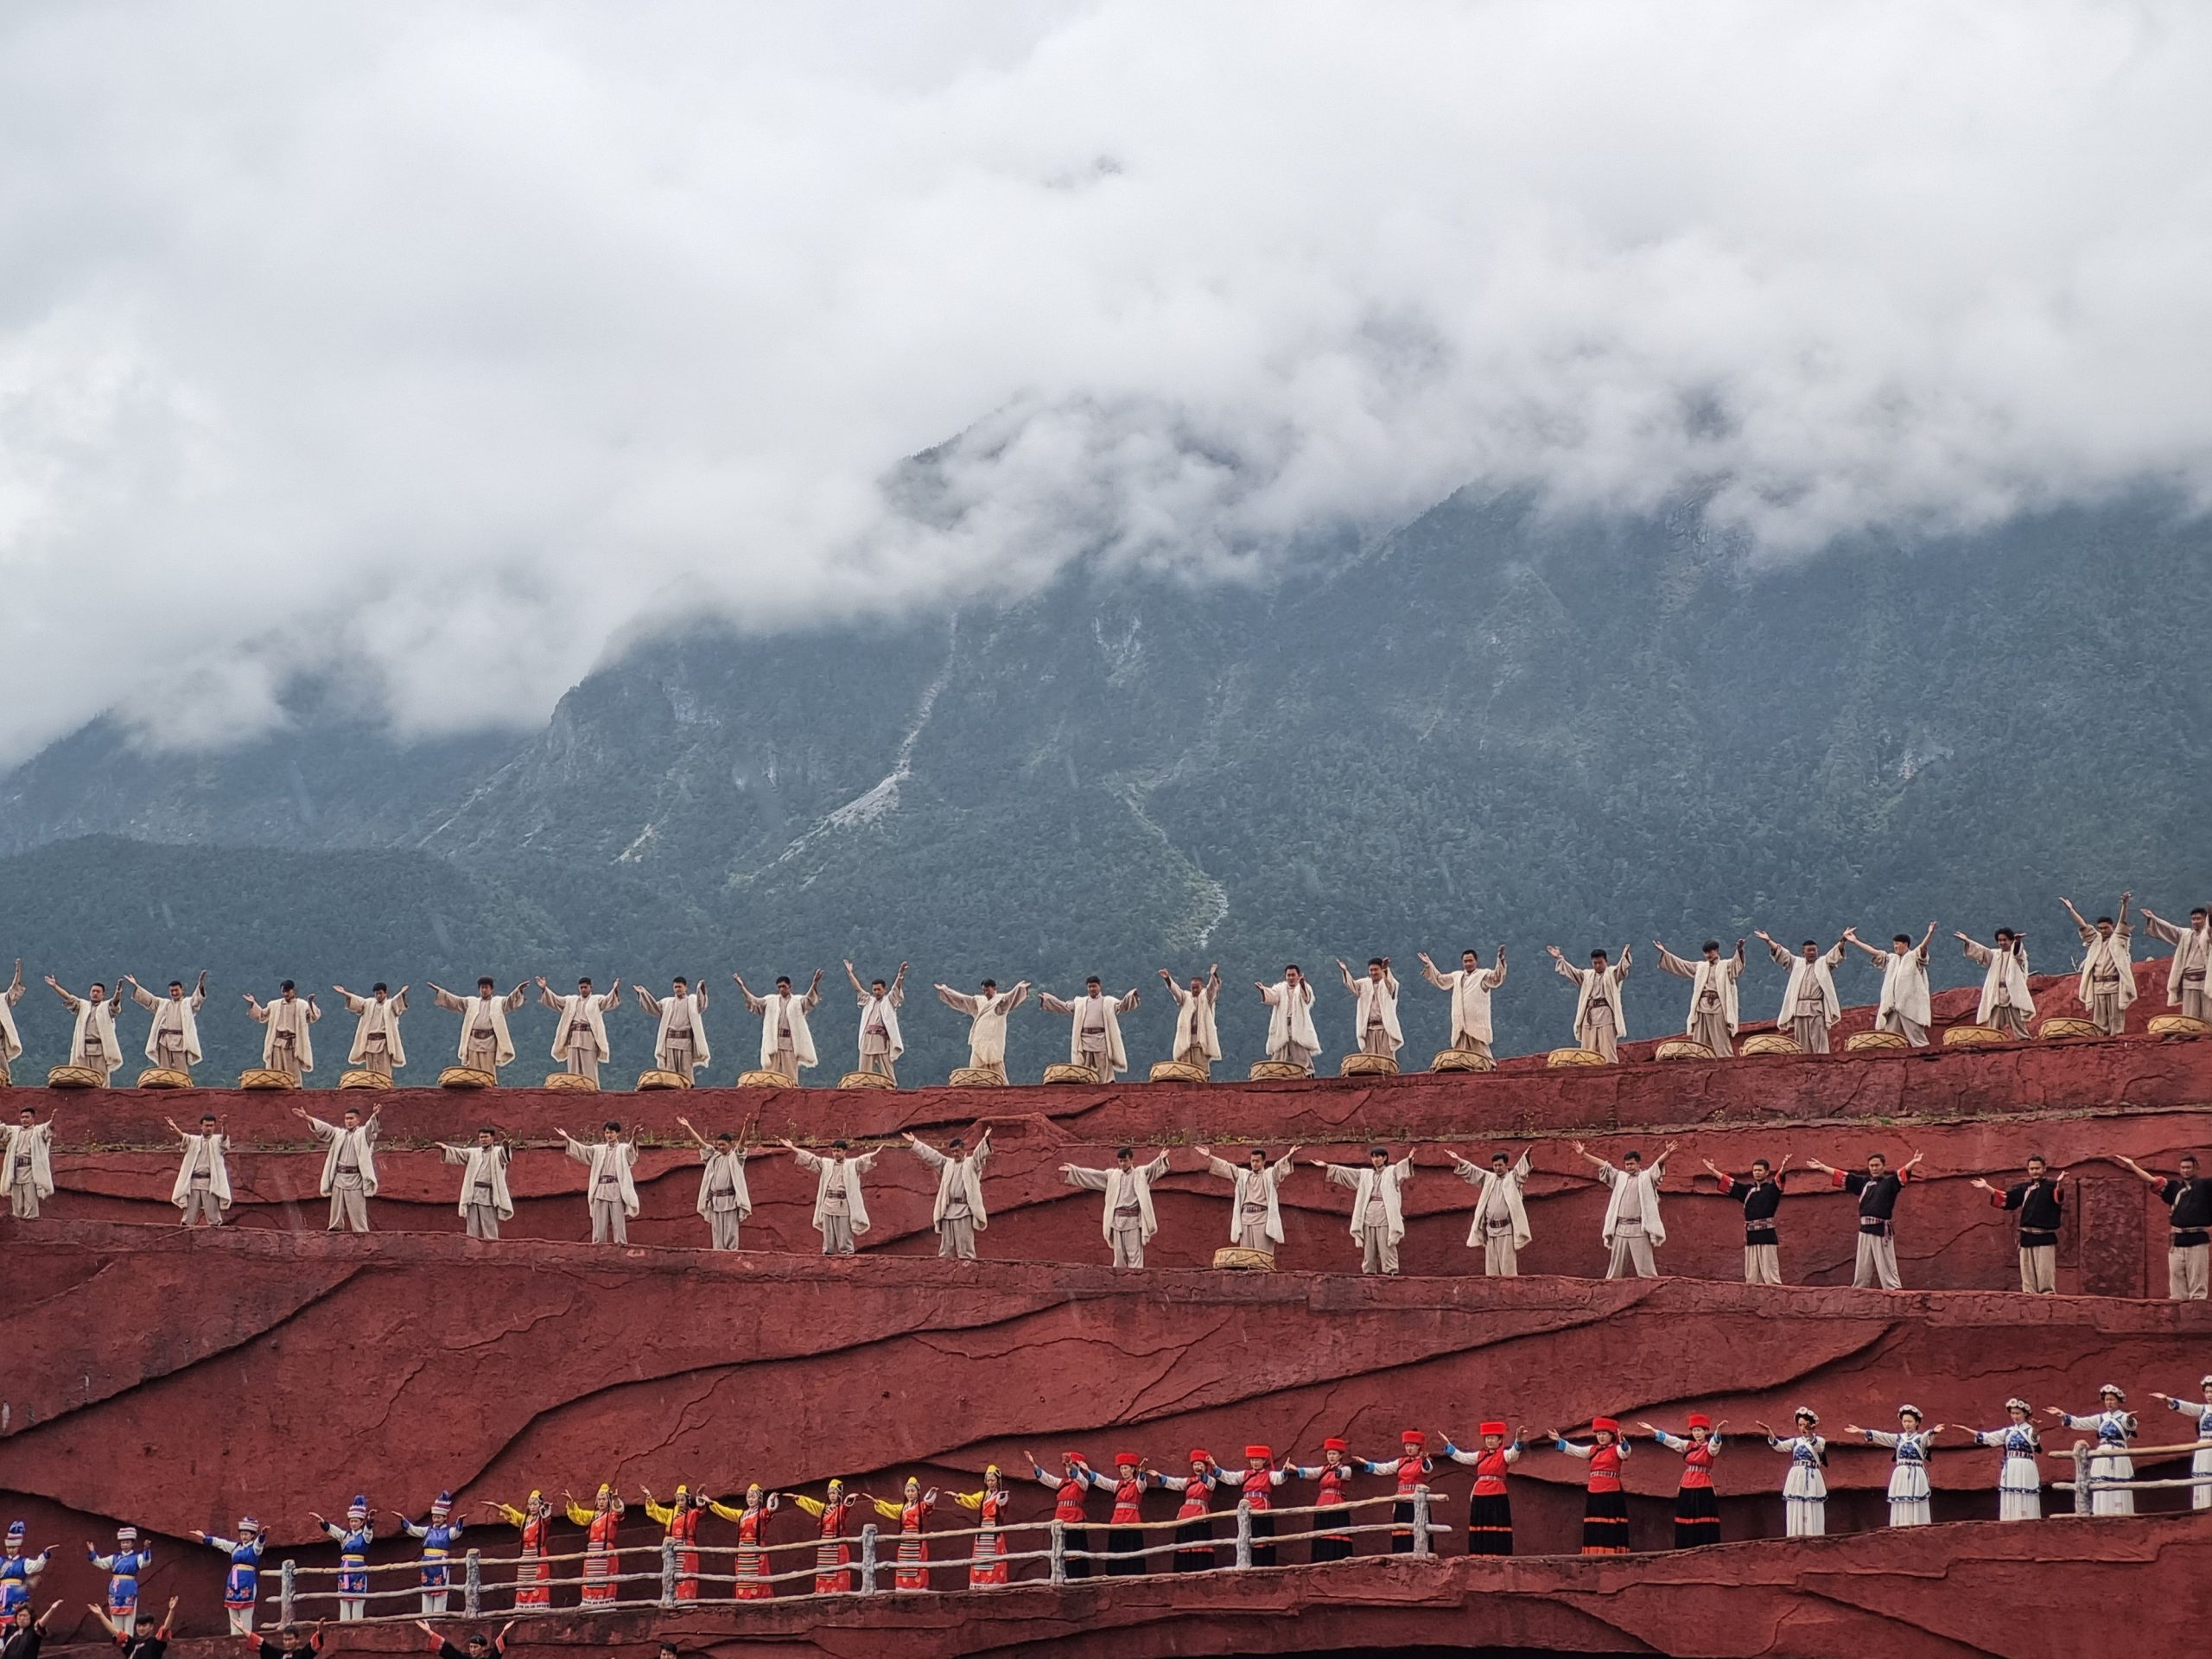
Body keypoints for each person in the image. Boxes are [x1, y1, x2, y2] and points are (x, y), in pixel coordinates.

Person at [1808, 1149, 1925, 1289]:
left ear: (1884, 1166)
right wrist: (1822, 1167)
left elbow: (1902, 1173)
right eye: (1871, 1166)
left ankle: (1893, 1290)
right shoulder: (1864, 1183)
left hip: (1881, 1230)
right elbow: (1845, 1176)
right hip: (1864, 1229)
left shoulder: (1890, 1183)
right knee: (1862, 1264)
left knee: (1886, 1263)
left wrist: (1913, 1162)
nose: (1874, 1168)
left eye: (1877, 1165)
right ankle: (1859, 1289)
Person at [2115, 1152, 2212, 1300]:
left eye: (2188, 1168)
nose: (2186, 1170)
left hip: (2198, 1240)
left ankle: (2197, 1318)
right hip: (2177, 1241)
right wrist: (2132, 1165)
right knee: (2177, 1286)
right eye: (2183, 1167)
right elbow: (2152, 1180)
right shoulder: (2174, 1187)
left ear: (2195, 1168)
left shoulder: (2205, 1185)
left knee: (2197, 1287)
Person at [1573, 1141, 1674, 1279]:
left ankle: (1653, 1296)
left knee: (1647, 1272)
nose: (1629, 1167)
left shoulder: (1646, 1178)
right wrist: (1584, 1154)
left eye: (1632, 1164)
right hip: (1621, 1229)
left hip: (1639, 1230)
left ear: (1639, 1164)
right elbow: (1604, 1165)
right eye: (1627, 1164)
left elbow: (1658, 1164)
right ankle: (1609, 1296)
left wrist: (1667, 1153)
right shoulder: (1620, 1177)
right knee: (1614, 1273)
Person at [1062, 1147, 1170, 1268]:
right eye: (1120, 1161)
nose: (1123, 1164)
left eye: (1125, 1160)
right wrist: (1073, 1170)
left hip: (1133, 1222)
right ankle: (1119, 1284)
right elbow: (1093, 1175)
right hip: (1117, 1222)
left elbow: (1152, 1168)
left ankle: (1135, 1284)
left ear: (1131, 1160)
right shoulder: (1113, 1176)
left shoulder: (1140, 1174)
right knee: (1119, 1259)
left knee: (1135, 1257)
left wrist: (1161, 1159)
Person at [1314, 1146, 1414, 1275]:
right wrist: (1327, 1166)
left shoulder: (1392, 1171)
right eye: (1373, 1157)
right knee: (1369, 1247)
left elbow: (1402, 1169)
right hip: (1368, 1212)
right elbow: (1348, 1173)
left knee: (1387, 1244)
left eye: (1378, 1156)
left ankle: (1391, 1272)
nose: (1375, 1159)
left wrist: (1409, 1159)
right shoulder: (1366, 1174)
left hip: (1385, 1212)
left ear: (1384, 1158)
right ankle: (1369, 1272)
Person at [1972, 1157, 2066, 1294]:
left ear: (2044, 1168)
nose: (2035, 1171)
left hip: (2045, 1237)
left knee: (2045, 1274)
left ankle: (2048, 1300)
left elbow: (2059, 1196)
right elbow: (2006, 1198)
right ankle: (2029, 1300)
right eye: (2032, 1169)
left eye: (2037, 1168)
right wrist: (1986, 1187)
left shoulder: (2051, 1186)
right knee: (2028, 1279)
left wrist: (2060, 1183)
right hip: (2026, 1236)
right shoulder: (2024, 1188)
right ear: (2028, 1170)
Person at [2045, 1386, 2138, 1516]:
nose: (2109, 1403)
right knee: (2102, 1482)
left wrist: (2129, 1420)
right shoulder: (2101, 1418)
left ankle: (2121, 1511)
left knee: (2119, 1481)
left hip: (2118, 1453)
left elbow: (2131, 1425)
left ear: (2118, 1401)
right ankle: (2102, 1511)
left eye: (2112, 1399)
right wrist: (2064, 1415)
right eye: (2106, 1400)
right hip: (2103, 1455)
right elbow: (2080, 1422)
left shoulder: (2124, 1417)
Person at [905, 1129, 994, 1260]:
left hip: (964, 1210)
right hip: (947, 1210)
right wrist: (915, 1143)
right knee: (946, 1250)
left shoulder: (971, 1164)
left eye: (957, 1151)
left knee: (965, 1250)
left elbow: (979, 1155)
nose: (955, 1154)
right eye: (952, 1152)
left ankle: (967, 1273)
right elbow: (932, 1156)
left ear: (963, 1150)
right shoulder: (947, 1164)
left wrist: (985, 1139)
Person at [1848, 1406, 1943, 1527]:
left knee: (1915, 1498)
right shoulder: (1898, 1439)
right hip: (1901, 1473)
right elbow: (1882, 1436)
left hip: (1916, 1473)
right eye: (1904, 1421)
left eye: (1910, 1421)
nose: (1907, 1424)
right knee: (1902, 1498)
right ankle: (1901, 1524)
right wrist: (1861, 1431)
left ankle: (1917, 1524)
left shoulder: (1920, 1439)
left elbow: (1927, 1437)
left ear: (1917, 1422)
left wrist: (1934, 1432)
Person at [1701, 1155, 1789, 1285]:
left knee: (1771, 1274)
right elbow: (1731, 1184)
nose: (1757, 1173)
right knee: (1752, 1275)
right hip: (1751, 1237)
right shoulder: (1748, 1191)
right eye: (1755, 1170)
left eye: (1760, 1170)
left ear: (1767, 1172)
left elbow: (1779, 1179)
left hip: (1767, 1236)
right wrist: (1713, 1171)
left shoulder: (1772, 1189)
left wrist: (1783, 1168)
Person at [1842, 925, 1937, 1045]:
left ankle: (1925, 1060)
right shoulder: (1891, 959)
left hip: (1909, 1005)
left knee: (1917, 1039)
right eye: (1894, 944)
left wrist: (1929, 934)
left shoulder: (1913, 957)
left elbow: (1922, 948)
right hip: (1891, 1007)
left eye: (1898, 944)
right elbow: (1874, 952)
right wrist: (1855, 941)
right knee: (1890, 1041)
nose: (1895, 946)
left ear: (1906, 944)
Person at [1197, 1143, 1300, 1254]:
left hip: (1262, 1220)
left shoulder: (1269, 1175)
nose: (1254, 1164)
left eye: (1257, 1161)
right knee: (1246, 1255)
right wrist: (1209, 1156)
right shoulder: (1244, 1175)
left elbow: (1278, 1168)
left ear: (1264, 1162)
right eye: (1252, 1161)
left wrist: (1289, 1156)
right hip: (1245, 1219)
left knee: (1263, 1255)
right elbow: (1228, 1168)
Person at [784, 1139, 880, 1255]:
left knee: (844, 1232)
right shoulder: (826, 1164)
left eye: (838, 1151)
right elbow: (811, 1159)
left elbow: (863, 1161)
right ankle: (828, 1253)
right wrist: (792, 1148)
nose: (836, 1153)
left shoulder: (852, 1164)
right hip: (828, 1202)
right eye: (834, 1151)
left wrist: (875, 1154)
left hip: (843, 1202)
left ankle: (847, 1254)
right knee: (828, 1232)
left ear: (845, 1151)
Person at [1546, 1421, 1630, 1554]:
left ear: (1611, 1435)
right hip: (1594, 1490)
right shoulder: (1593, 1450)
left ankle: (1610, 1551)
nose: (1601, 1437)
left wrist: (1623, 1441)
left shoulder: (1617, 1449)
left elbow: (1626, 1452)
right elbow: (1575, 1450)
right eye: (1599, 1434)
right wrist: (1559, 1440)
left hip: (1611, 1491)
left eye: (1604, 1434)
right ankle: (1593, 1551)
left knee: (1609, 1522)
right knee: (1594, 1522)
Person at [1438, 1424, 1522, 1555]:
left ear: (1500, 1440)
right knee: (1480, 1523)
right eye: (1487, 1438)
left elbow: (1514, 1454)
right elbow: (1463, 1457)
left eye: (1492, 1438)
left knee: (1496, 1523)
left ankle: (1498, 1555)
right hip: (1480, 1494)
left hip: (1497, 1494)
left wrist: (1518, 1440)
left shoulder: (1504, 1455)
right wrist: (1450, 1447)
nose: (1489, 1441)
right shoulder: (1481, 1455)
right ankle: (1478, 1554)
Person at [296, 1104, 383, 1233]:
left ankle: (362, 1234)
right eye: (346, 1118)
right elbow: (325, 1129)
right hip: (339, 1177)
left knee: (358, 1212)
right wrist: (306, 1117)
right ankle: (334, 1232)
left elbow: (371, 1128)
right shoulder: (339, 1134)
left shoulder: (362, 1134)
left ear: (358, 1120)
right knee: (336, 1212)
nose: (348, 1121)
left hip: (355, 1178)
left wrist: (375, 1115)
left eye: (351, 1118)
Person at [1754, 933, 1847, 1053]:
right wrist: (1768, 941)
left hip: (1817, 1009)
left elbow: (1834, 954)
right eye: (1809, 950)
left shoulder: (1823, 963)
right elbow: (1783, 954)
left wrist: (1843, 940)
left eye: (1814, 950)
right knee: (1802, 1043)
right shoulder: (1797, 963)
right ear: (1804, 952)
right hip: (1800, 1009)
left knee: (1819, 1042)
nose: (1812, 953)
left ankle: (1822, 1065)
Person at [1445, 1149, 1532, 1276]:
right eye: (1495, 1165)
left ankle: (1508, 1293)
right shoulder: (1489, 1178)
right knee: (1491, 1269)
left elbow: (1521, 1170)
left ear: (1507, 1165)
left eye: (1500, 1165)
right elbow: (1473, 1171)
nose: (1497, 1168)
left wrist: (1526, 1156)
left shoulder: (1512, 1178)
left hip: (1506, 1229)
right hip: (1490, 1230)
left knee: (1507, 1267)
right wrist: (1458, 1159)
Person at [1639, 1416, 1723, 1548]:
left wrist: (1718, 1433)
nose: (1697, 1433)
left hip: (1703, 1486)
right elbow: (1673, 1441)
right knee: (1686, 1515)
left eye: (1699, 1430)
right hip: (1687, 1485)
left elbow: (1714, 1446)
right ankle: (1686, 1546)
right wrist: (1654, 1431)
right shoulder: (1689, 1445)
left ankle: (1706, 1546)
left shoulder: (1708, 1448)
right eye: (1694, 1430)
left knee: (1703, 1516)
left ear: (1706, 1431)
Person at [1651, 939, 1744, 1056]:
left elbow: (1737, 966)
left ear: (1717, 951)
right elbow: (1683, 965)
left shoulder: (1725, 965)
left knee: (1721, 1040)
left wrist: (1739, 951)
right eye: (1706, 953)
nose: (1708, 955)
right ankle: (1700, 1061)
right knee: (1700, 1041)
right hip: (1701, 1007)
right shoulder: (1701, 967)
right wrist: (1665, 952)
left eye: (1710, 952)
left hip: (1718, 1005)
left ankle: (1726, 1063)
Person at [1038, 977, 1140, 1081]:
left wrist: (1131, 996)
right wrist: (1047, 999)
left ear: (1100, 986)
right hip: (1084, 1040)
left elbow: (1122, 1005)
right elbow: (1064, 1006)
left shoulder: (1108, 1002)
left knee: (1103, 1067)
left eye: (1094, 986)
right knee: (1084, 1069)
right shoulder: (1080, 1002)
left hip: (1101, 1039)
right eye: (1089, 987)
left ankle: (1106, 1087)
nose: (1092, 989)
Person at [2063, 893, 2135, 1036]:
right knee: (2099, 1019)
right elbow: (2083, 926)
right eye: (2100, 928)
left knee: (2116, 1017)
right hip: (2098, 985)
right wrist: (2071, 910)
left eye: (2105, 928)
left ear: (2111, 927)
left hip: (2114, 984)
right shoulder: (2095, 940)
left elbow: (2123, 922)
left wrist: (2125, 905)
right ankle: (2100, 1041)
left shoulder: (2119, 938)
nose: (2102, 931)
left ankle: (2117, 1040)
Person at [1417, 947, 1507, 1060]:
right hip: (1460, 1025)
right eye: (1466, 961)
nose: (1468, 964)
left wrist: (1500, 959)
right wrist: (1429, 964)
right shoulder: (1456, 976)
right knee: (1460, 1057)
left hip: (1477, 1023)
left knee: (1482, 1057)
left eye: (1470, 961)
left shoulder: (1483, 975)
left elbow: (1497, 978)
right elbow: (1440, 980)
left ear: (1476, 961)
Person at [933, 978, 1031, 1082]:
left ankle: (1003, 1090)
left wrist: (1020, 987)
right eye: (983, 990)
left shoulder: (1001, 1001)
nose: (985, 993)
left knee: (997, 1068)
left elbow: (1012, 996)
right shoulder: (979, 1001)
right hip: (979, 1040)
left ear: (994, 988)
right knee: (975, 1069)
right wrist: (945, 990)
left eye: (987, 990)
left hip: (994, 1041)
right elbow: (962, 1000)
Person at [734, 970, 823, 1083]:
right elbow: (755, 1001)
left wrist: (815, 983)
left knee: (790, 1076)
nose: (781, 989)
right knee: (770, 1074)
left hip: (790, 1043)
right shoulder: (771, 1000)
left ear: (789, 986)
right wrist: (742, 987)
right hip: (773, 1042)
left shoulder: (797, 1001)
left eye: (783, 986)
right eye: (779, 987)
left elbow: (809, 999)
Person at [676, 1117, 751, 1250]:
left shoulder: (735, 1158)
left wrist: (745, 1128)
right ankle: (719, 1257)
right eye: (719, 1145)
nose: (720, 1147)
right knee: (717, 1235)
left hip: (730, 1201)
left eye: (723, 1144)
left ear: (730, 1144)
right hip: (715, 1201)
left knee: (731, 1233)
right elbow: (701, 1143)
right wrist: (688, 1126)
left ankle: (731, 1257)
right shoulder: (713, 1157)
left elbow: (741, 1145)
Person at [559, 1122, 640, 1245]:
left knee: (618, 1221)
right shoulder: (598, 1150)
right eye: (607, 1132)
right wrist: (568, 1138)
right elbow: (583, 1151)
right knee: (599, 1222)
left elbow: (631, 1154)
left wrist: (634, 1138)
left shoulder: (622, 1148)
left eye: (612, 1132)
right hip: (600, 1188)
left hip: (615, 1188)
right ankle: (598, 1245)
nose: (609, 1135)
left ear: (617, 1133)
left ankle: (621, 1244)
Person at [1026, 1452, 1103, 1580]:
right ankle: (1057, 1576)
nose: (1068, 1470)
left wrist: (1071, 1465)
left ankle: (1076, 1577)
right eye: (1066, 1467)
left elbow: (1079, 1477)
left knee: (1074, 1549)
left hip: (1074, 1519)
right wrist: (1033, 1464)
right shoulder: (1061, 1482)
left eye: (1071, 1467)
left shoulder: (1082, 1483)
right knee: (1058, 1548)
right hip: (1060, 1519)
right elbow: (1047, 1478)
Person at [427, 978, 528, 1076]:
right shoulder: (471, 1002)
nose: (484, 990)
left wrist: (518, 990)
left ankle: (490, 1090)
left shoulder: (498, 1002)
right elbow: (455, 1001)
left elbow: (510, 1001)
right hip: (473, 1041)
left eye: (486, 987)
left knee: (488, 1071)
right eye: (482, 988)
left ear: (491, 989)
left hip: (489, 1041)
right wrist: (441, 992)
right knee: (473, 1071)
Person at [1548, 945, 1630, 1062]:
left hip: (1606, 1014)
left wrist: (1624, 957)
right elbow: (1573, 973)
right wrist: (1560, 958)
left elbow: (1621, 969)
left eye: (1600, 963)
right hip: (1589, 1015)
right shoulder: (1587, 975)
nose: (1597, 966)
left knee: (1608, 1049)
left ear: (1606, 961)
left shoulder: (1611, 973)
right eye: (1595, 963)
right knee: (1587, 1051)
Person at [1964, 1401, 2044, 1521]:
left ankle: (2029, 1519)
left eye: (2018, 1413)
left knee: (2025, 1490)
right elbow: (1989, 1437)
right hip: (2011, 1466)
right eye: (2013, 1413)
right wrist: (1968, 1430)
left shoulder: (2029, 1430)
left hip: (2025, 1466)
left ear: (2025, 1414)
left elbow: (2034, 1441)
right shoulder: (2008, 1431)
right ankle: (2010, 1518)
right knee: (2011, 1490)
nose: (2015, 1416)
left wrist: (2035, 1429)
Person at [1356, 1431, 1432, 1555]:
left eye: (1412, 1445)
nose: (1409, 1448)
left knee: (1417, 1528)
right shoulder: (1402, 1462)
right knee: (1401, 1528)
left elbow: (1427, 1468)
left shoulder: (1424, 1461)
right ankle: (1400, 1555)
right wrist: (1367, 1464)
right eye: (1407, 1445)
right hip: (1402, 1501)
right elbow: (1385, 1468)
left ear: (1419, 1447)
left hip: (1416, 1502)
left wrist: (1424, 1460)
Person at [1756, 1408, 1828, 1536]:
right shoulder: (1796, 1442)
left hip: (1812, 1476)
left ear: (1812, 1425)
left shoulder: (1820, 1440)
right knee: (1797, 1503)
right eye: (1800, 1425)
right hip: (1797, 1477)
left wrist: (1810, 1433)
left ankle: (1813, 1534)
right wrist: (1769, 1432)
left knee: (1811, 1503)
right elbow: (1780, 1446)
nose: (1802, 1428)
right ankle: (1796, 1534)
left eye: (1805, 1424)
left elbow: (1818, 1447)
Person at [537, 976, 620, 1085]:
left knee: (589, 1069)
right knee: (573, 1071)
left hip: (588, 1038)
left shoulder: (596, 1000)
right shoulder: (571, 1001)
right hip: (573, 1038)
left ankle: (592, 1090)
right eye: (581, 988)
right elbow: (556, 1000)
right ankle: (574, 1090)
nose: (583, 990)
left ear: (591, 987)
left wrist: (614, 990)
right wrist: (545, 989)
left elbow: (608, 1001)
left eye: (585, 987)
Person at [1283, 1441, 1356, 1563]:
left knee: (1336, 1529)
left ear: (1340, 1456)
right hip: (1322, 1502)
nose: (1331, 1456)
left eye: (1334, 1454)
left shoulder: (1345, 1469)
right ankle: (1321, 1558)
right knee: (1321, 1530)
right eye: (1329, 1454)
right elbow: (1311, 1472)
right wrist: (1295, 1469)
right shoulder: (1323, 1469)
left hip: (1337, 1502)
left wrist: (1338, 1471)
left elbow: (1345, 1474)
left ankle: (1337, 1557)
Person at [1212, 1448, 1287, 1567]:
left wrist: (1285, 1471)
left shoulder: (1268, 1474)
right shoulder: (1246, 1474)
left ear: (1263, 1461)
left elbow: (1278, 1478)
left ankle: (1264, 1564)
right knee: (1246, 1534)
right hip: (1247, 1509)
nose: (1254, 1463)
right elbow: (1231, 1477)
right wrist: (1215, 1467)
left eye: (1257, 1460)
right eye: (1252, 1460)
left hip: (1262, 1509)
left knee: (1262, 1535)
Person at [123, 972, 207, 1077]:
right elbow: (150, 1000)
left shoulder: (187, 1003)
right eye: (172, 991)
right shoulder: (164, 1004)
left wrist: (200, 985)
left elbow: (196, 1000)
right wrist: (136, 986)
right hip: (164, 1041)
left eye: (176, 990)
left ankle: (183, 1090)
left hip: (180, 1041)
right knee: (164, 1070)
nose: (174, 993)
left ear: (182, 990)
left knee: (181, 1071)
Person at [437, 1128, 514, 1241]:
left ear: (492, 1138)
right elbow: (460, 1154)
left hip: (488, 1194)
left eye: (486, 1137)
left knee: (489, 1223)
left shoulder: (497, 1152)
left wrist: (506, 1147)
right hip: (472, 1193)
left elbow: (505, 1157)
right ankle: (472, 1246)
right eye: (481, 1137)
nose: (483, 1140)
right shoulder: (473, 1153)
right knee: (472, 1224)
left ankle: (492, 1247)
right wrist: (446, 1149)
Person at [1148, 1452, 1222, 1572]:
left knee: (1199, 1541)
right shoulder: (1189, 1481)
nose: (1197, 1467)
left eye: (1200, 1464)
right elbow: (1175, 1482)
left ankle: (1200, 1568)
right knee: (1185, 1541)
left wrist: (1205, 1473)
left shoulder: (1210, 1481)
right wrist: (1160, 1476)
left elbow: (1209, 1483)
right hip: (1186, 1515)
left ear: (1205, 1466)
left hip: (1199, 1515)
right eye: (1195, 1464)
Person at [2148, 1376, 2212, 1514]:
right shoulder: (2202, 1409)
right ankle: (2204, 1508)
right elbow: (2186, 1406)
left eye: (2211, 1392)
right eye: (2207, 1392)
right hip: (2205, 1447)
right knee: (2204, 1477)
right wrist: (2167, 1399)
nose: (2209, 1395)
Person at [788, 1481, 865, 1594]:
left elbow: (846, 1507)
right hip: (824, 1545)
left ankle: (839, 1592)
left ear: (839, 1494)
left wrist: (848, 1499)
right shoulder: (824, 1509)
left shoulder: (841, 1509)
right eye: (830, 1493)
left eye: (834, 1493)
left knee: (837, 1571)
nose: (832, 1496)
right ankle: (823, 1592)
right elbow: (812, 1504)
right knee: (824, 1570)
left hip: (837, 1545)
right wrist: (798, 1498)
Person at [44, 977, 124, 1084]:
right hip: (83, 1049)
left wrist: (118, 992)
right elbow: (69, 998)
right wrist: (55, 986)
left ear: (103, 995)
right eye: (93, 991)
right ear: (90, 993)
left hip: (100, 1049)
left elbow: (115, 1003)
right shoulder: (83, 1005)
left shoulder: (105, 1007)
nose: (95, 993)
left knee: (101, 1079)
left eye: (98, 992)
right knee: (82, 1079)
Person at [2141, 903, 2211, 1024]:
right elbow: (2170, 928)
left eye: (2198, 918)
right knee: (2190, 1016)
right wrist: (2153, 918)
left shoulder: (2208, 935)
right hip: (2188, 980)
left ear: (2206, 919)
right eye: (2193, 919)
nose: (2195, 921)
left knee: (2209, 1014)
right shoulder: (2185, 935)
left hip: (2206, 980)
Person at [1958, 928, 2035, 1039]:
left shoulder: (2017, 954)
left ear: (2011, 940)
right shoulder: (1995, 954)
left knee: (2018, 1022)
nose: (2002, 943)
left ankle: (2023, 1040)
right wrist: (1967, 941)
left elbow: (2018, 954)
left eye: (2005, 940)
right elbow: (1982, 951)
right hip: (1996, 993)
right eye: (2000, 940)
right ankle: (1993, 1041)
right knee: (1993, 1025)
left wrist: (2018, 942)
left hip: (2012, 994)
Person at [394, 1494, 464, 1615]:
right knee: (426, 1590)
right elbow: (413, 1530)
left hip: (441, 1564)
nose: (436, 1520)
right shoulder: (427, 1531)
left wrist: (460, 1522)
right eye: (434, 1517)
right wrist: (403, 1520)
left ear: (445, 1518)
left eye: (439, 1517)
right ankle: (426, 1616)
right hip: (427, 1564)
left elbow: (457, 1533)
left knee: (441, 1591)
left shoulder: (448, 1532)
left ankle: (438, 1616)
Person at [188, 1519, 262, 1634]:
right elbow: (221, 1543)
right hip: (233, 1581)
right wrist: (205, 1538)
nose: (243, 1537)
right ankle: (234, 1638)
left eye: (246, 1534)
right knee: (233, 1614)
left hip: (247, 1582)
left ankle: (246, 1639)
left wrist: (263, 1535)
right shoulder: (236, 1547)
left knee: (246, 1616)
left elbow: (259, 1544)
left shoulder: (254, 1549)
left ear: (252, 1535)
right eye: (242, 1534)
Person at [633, 976, 709, 1084]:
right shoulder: (667, 1002)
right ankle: (671, 1091)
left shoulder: (691, 1001)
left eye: (680, 986)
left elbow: (701, 1004)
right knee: (670, 1070)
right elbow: (653, 1007)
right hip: (670, 1041)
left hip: (685, 1041)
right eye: (675, 987)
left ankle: (687, 1090)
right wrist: (643, 993)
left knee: (685, 1069)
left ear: (685, 987)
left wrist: (701, 989)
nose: (677, 989)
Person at [482, 1492, 550, 1609]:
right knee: (524, 1583)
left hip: (538, 1554)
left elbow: (546, 1516)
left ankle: (539, 1606)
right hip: (525, 1554)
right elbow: (511, 1513)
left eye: (535, 1504)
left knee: (538, 1582)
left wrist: (546, 1508)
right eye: (530, 1505)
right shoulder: (525, 1519)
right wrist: (496, 1506)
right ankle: (523, 1606)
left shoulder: (542, 1520)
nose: (532, 1507)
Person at [871, 1478, 939, 1591]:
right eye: (908, 1491)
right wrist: (879, 1504)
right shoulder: (903, 1508)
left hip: (917, 1540)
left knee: (918, 1564)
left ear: (918, 1492)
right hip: (905, 1542)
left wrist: (932, 1492)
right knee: (904, 1564)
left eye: (912, 1491)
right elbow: (891, 1509)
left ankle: (919, 1588)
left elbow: (929, 1503)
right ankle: (903, 1587)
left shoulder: (922, 1506)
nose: (910, 1493)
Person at [309, 1497, 373, 1619]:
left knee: (358, 1597)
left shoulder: (365, 1536)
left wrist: (370, 1520)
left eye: (356, 1521)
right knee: (344, 1597)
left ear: (361, 1522)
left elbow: (369, 1530)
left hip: (358, 1569)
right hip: (345, 1569)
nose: (353, 1524)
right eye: (351, 1521)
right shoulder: (345, 1536)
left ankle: (357, 1622)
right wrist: (322, 1522)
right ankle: (343, 1623)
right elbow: (333, 1530)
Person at [711, 1485, 779, 1599]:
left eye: (753, 1497)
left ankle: (759, 1600)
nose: (751, 1499)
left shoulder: (761, 1514)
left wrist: (771, 1504)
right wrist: (711, 1503)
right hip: (743, 1551)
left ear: (759, 1499)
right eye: (749, 1496)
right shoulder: (741, 1515)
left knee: (756, 1578)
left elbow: (768, 1512)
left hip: (755, 1551)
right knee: (743, 1579)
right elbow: (726, 1512)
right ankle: (743, 1600)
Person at [244, 982, 321, 1083]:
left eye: (288, 991)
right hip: (277, 1042)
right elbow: (262, 1015)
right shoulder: (274, 1005)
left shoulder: (302, 1005)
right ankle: (276, 1085)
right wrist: (253, 1003)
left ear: (293, 990)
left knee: (293, 1070)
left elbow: (313, 1017)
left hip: (293, 1043)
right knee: (277, 1069)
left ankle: (295, 1087)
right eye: (283, 991)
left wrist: (310, 1003)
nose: (285, 994)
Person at [843, 962, 907, 1083]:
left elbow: (896, 988)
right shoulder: (868, 1000)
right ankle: (863, 1086)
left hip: (881, 1039)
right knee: (864, 1070)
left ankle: (891, 1087)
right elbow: (858, 988)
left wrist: (900, 975)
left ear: (884, 989)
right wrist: (850, 973)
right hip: (868, 1037)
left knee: (887, 1069)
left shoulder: (889, 1000)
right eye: (874, 990)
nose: (876, 992)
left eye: (879, 989)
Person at [166, 1112, 232, 1229]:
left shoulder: (217, 1140)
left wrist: (224, 1126)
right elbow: (183, 1138)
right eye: (207, 1125)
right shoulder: (194, 1140)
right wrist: (175, 1128)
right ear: (201, 1126)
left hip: (210, 1183)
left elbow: (225, 1138)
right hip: (194, 1183)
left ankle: (215, 1239)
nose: (209, 1128)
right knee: (189, 1216)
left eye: (211, 1126)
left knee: (214, 1217)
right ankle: (184, 1237)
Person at [639, 1485, 704, 1601]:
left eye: (682, 1499)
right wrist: (649, 1497)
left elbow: (701, 1510)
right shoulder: (670, 1515)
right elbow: (655, 1511)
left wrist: (699, 1496)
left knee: (686, 1576)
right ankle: (672, 1599)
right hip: (672, 1550)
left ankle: (686, 1600)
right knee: (671, 1574)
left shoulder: (692, 1514)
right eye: (678, 1500)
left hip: (686, 1549)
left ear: (687, 1500)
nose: (680, 1502)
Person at [333, 983, 408, 1082]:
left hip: (384, 1042)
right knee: (370, 1070)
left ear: (385, 993)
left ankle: (385, 1089)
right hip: (369, 1042)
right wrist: (345, 993)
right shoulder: (369, 1003)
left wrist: (402, 994)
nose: (378, 996)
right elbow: (358, 1001)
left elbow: (397, 1001)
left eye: (380, 993)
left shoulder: (390, 1004)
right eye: (376, 993)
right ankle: (373, 1091)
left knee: (384, 1070)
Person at [85, 1529, 152, 1637]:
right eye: (123, 1542)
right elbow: (100, 1563)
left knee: (129, 1617)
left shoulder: (136, 1557)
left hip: (129, 1588)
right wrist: (93, 1552)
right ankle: (117, 1639)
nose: (125, 1545)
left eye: (127, 1542)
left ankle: (129, 1640)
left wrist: (146, 1549)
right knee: (115, 1617)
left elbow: (145, 1562)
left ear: (132, 1543)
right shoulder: (114, 1557)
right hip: (115, 1589)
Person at [563, 1484, 624, 1603]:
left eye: (604, 1499)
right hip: (592, 1551)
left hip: (606, 1550)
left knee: (606, 1578)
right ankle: (590, 1601)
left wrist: (615, 1501)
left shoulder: (612, 1515)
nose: (601, 1502)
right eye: (599, 1499)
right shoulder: (592, 1516)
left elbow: (619, 1512)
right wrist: (571, 1503)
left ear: (608, 1501)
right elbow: (579, 1515)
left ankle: (606, 1601)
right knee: (590, 1577)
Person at [1255, 967, 1322, 1075]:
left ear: (1298, 976)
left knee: (1301, 1051)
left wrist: (1302, 985)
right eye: (1289, 975)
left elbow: (1307, 998)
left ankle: (1307, 1074)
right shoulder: (1280, 988)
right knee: (1280, 1051)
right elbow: (1273, 997)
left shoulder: (1303, 987)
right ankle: (1276, 1073)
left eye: (1293, 975)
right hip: (1282, 1025)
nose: (1291, 978)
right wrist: (1263, 990)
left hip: (1298, 1025)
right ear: (1285, 976)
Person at [951, 1468, 1011, 1587]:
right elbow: (972, 1500)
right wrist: (959, 1497)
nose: (990, 1483)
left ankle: (994, 1583)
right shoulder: (982, 1495)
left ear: (998, 1480)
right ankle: (979, 1583)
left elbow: (1002, 1504)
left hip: (994, 1530)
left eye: (993, 1480)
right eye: (988, 1480)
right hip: (983, 1529)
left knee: (994, 1557)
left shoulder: (1000, 1495)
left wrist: (1003, 1498)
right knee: (981, 1557)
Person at [1158, 965, 1223, 1072]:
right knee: (1185, 1072)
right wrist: (1168, 979)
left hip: (1201, 1042)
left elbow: (1212, 988)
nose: (1194, 990)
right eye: (1192, 987)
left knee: (1202, 1072)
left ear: (1202, 986)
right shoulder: (1186, 998)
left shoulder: (1206, 998)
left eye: (1197, 987)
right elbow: (1176, 991)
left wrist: (1214, 975)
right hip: (1186, 1042)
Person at [1337, 957, 1402, 1063]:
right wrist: (1345, 971)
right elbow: (1352, 985)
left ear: (1381, 970)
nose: (1373, 972)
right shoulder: (1364, 984)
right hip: (1368, 1029)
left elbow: (1391, 985)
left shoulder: (1389, 983)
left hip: (1384, 1029)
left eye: (1376, 969)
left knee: (1386, 1059)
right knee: (1369, 1060)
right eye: (1371, 970)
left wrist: (1386, 970)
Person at [1097, 1455, 1148, 1576]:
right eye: (1121, 1469)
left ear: (1132, 1469)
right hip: (1117, 1521)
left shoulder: (1137, 1485)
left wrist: (1142, 1472)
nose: (1123, 1471)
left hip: (1132, 1520)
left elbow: (1142, 1483)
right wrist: (1088, 1471)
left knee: (1132, 1548)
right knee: (1116, 1548)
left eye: (1126, 1468)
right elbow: (1102, 1481)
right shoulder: (1117, 1485)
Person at [88, 1594, 175, 1659]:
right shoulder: (132, 1643)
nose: (141, 1628)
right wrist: (100, 1615)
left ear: (151, 1626)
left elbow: (166, 1627)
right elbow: (115, 1631)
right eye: (139, 1626)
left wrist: (171, 1610)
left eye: (144, 1625)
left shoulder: (156, 1643)